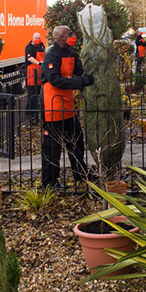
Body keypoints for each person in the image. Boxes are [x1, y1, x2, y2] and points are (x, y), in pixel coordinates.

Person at [41, 25, 94, 189]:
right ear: (61, 37)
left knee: (76, 141)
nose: (73, 36)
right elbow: (55, 80)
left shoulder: (71, 53)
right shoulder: (51, 56)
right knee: (52, 146)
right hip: (53, 106)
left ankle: (80, 174)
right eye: (70, 33)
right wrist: (81, 82)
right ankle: (50, 182)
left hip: (68, 106)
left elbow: (79, 72)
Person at [25, 32, 45, 124]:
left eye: (39, 37)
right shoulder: (29, 47)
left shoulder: (41, 46)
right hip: (31, 74)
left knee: (37, 93)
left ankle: (34, 112)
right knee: (32, 94)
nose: (38, 39)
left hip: (39, 73)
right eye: (36, 38)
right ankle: (32, 114)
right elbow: (29, 58)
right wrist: (39, 63)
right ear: (33, 39)